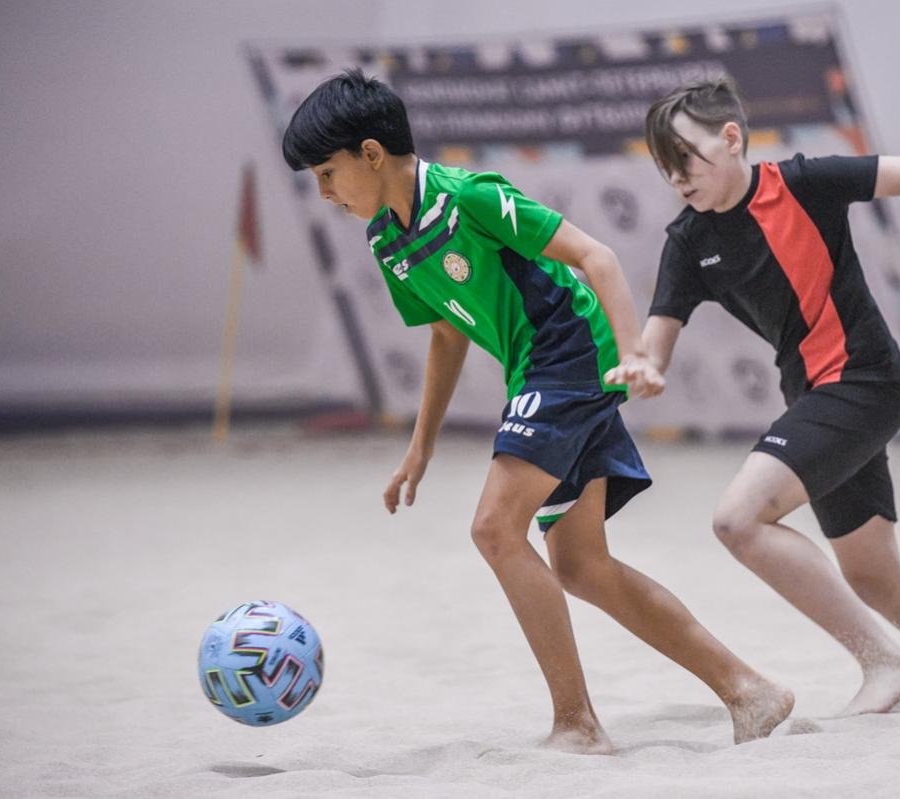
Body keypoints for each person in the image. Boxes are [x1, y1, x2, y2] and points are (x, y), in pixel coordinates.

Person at [282, 69, 794, 752]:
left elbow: (597, 256)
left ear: (371, 154)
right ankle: (749, 692)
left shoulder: (469, 197)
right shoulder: (385, 240)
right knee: (581, 567)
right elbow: (446, 334)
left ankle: (577, 725)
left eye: (326, 173)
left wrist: (634, 354)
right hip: (540, 371)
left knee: (495, 529)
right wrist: (420, 446)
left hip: (569, 353)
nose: (323, 192)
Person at [617, 77, 900, 715]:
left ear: (731, 139)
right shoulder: (689, 242)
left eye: (685, 158)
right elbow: (656, 345)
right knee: (874, 578)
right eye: (663, 165)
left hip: (864, 380)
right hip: (812, 397)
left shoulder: (804, 183)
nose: (675, 177)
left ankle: (884, 662)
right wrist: (641, 369)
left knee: (738, 520)